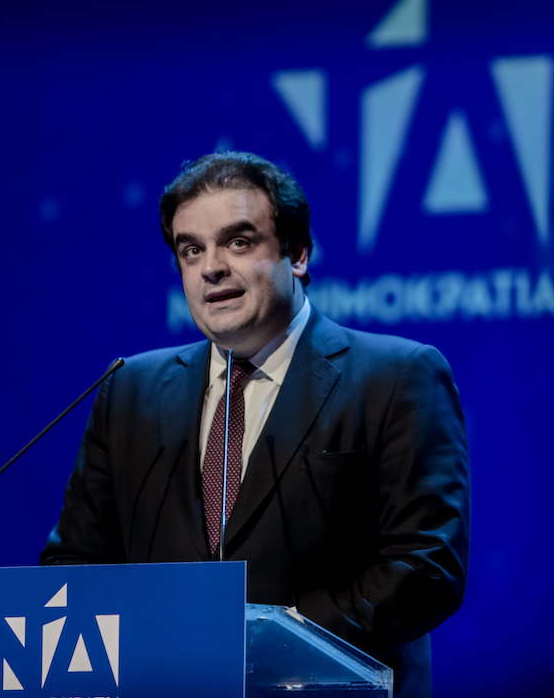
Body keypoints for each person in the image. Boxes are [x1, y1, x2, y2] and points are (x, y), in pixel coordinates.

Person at [41, 151, 471, 697]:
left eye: (238, 242)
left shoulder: (396, 377)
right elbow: (74, 564)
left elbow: (426, 568)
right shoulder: (130, 390)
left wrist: (264, 642)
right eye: (191, 250)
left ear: (297, 254)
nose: (211, 267)